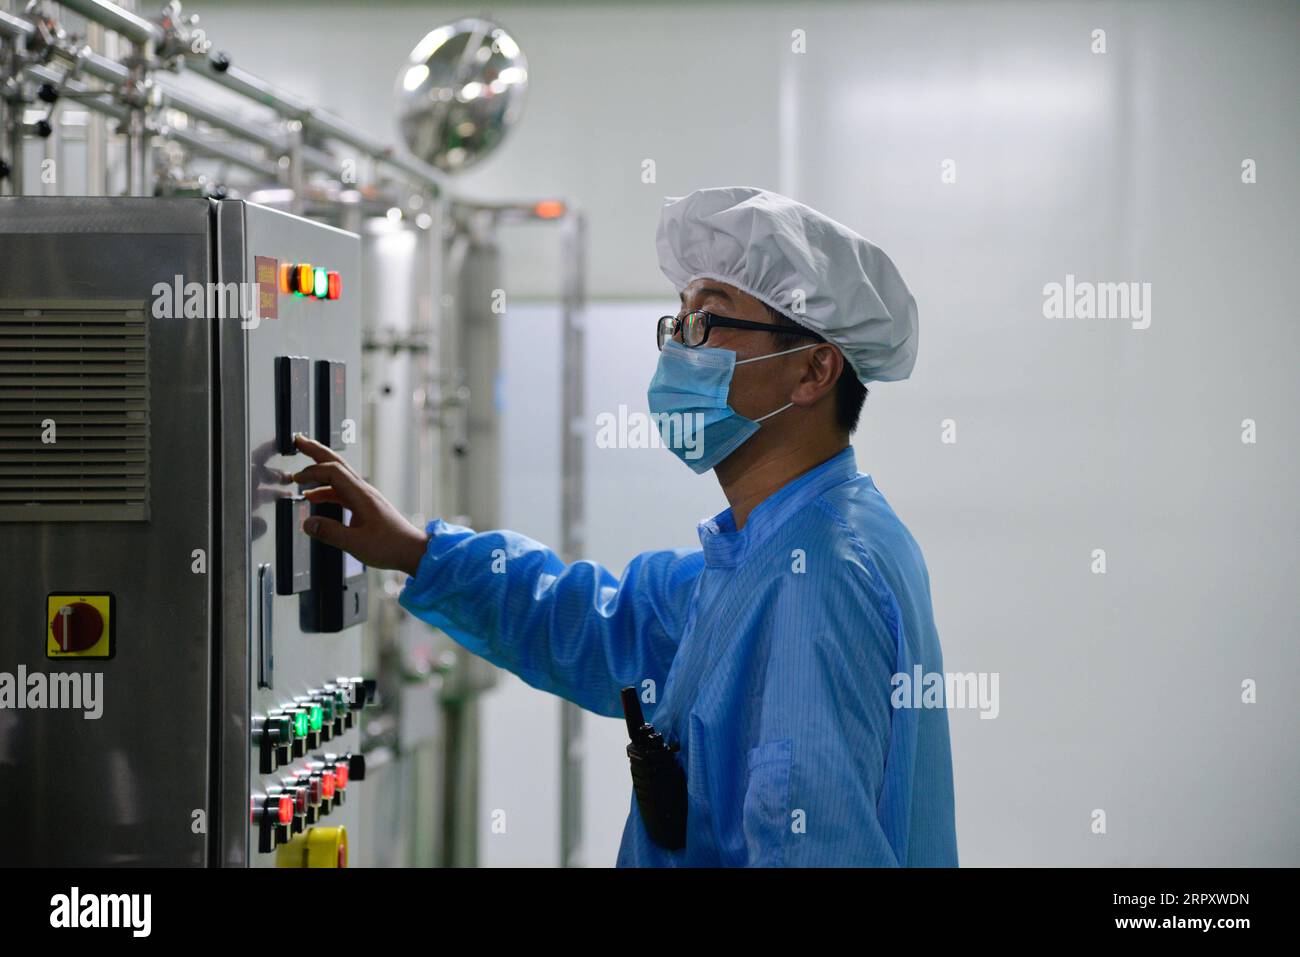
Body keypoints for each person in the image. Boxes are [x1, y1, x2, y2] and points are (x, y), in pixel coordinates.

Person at [293, 186, 958, 866]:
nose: (679, 348)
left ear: (813, 369)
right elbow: (598, 621)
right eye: (677, 321)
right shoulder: (763, 552)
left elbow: (811, 845)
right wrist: (415, 549)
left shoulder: (816, 576)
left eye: (709, 322)